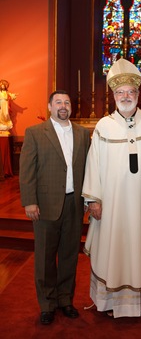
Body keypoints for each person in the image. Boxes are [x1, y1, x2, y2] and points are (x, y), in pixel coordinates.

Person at [82, 58, 141, 318]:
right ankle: (110, 303)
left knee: (140, 249)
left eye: (131, 91)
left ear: (138, 94)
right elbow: (93, 164)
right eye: (120, 92)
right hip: (111, 204)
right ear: (113, 95)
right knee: (114, 249)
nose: (125, 96)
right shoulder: (103, 125)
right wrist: (93, 200)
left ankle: (140, 302)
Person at [19, 90, 90, 325]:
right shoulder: (35, 133)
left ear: (72, 107)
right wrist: (29, 200)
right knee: (45, 257)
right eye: (58, 102)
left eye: (67, 102)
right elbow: (27, 170)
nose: (63, 106)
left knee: (69, 255)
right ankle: (47, 303)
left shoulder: (82, 134)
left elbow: (89, 169)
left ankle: (65, 300)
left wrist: (89, 198)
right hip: (45, 204)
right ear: (49, 106)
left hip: (74, 203)